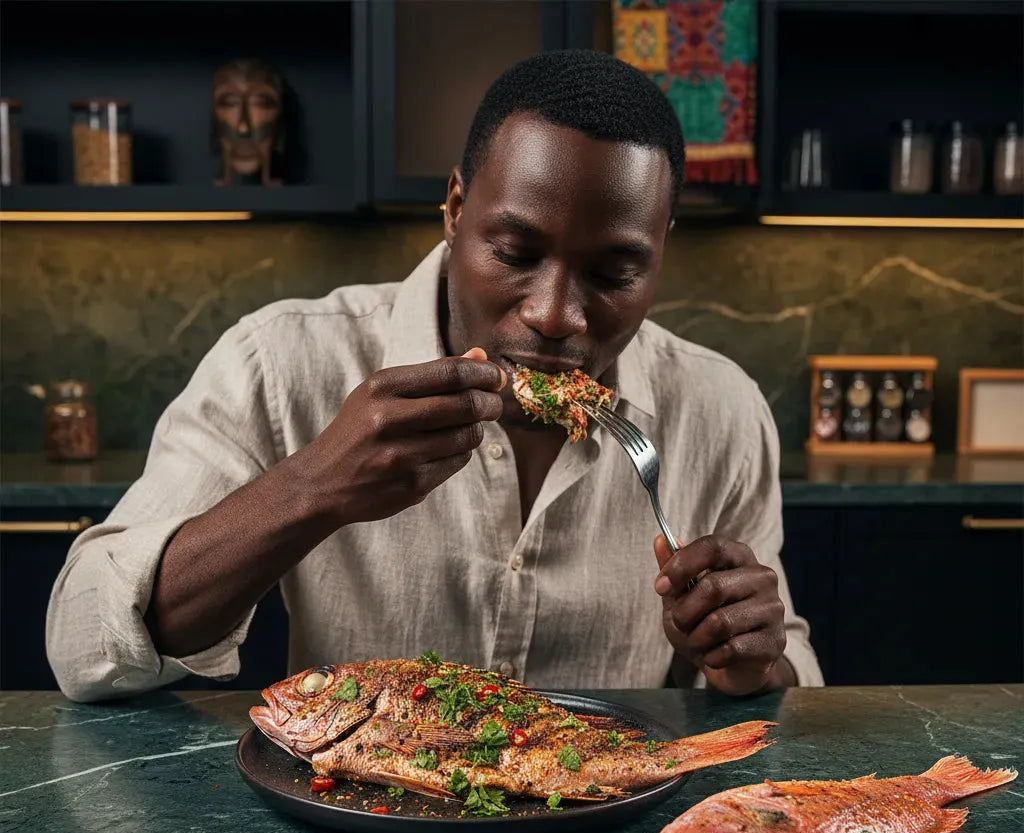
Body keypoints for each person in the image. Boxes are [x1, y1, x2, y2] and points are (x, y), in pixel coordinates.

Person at [46, 50, 823, 703]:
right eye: (515, 255)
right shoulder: (281, 361)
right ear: (455, 209)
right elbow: (83, 645)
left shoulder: (720, 410)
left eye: (615, 272)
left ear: (659, 253)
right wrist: (313, 487)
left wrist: (751, 660)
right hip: (354, 830)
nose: (555, 315)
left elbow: (785, 686)